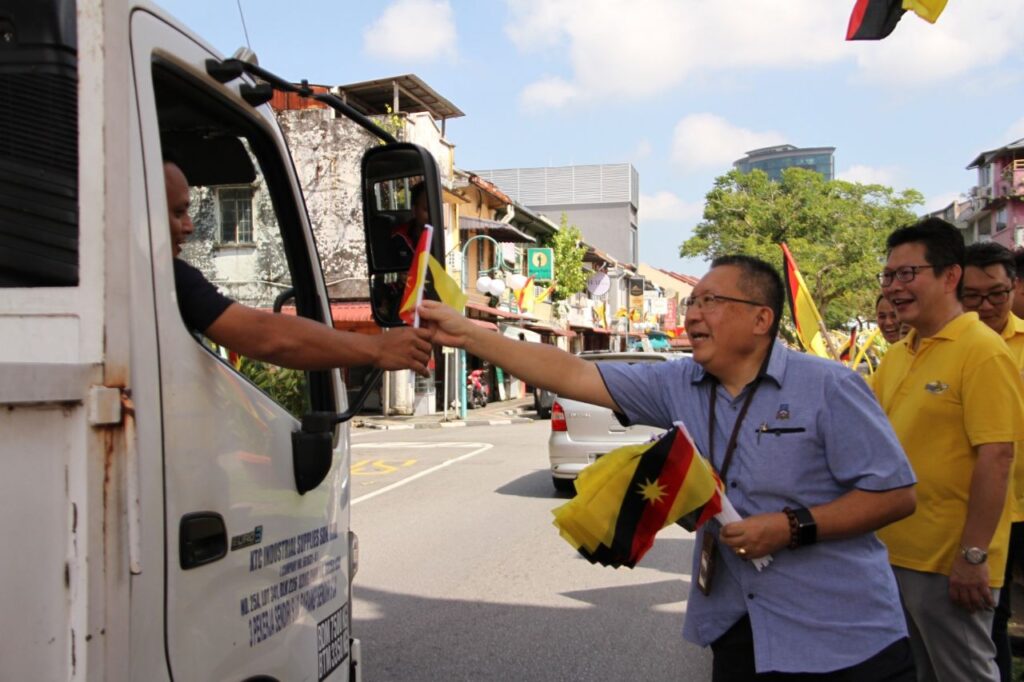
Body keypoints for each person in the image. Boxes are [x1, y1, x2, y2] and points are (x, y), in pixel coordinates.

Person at [420, 255, 918, 680]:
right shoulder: (678, 383)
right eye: (692, 302)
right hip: (738, 627)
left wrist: (791, 527)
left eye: (710, 301)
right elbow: (572, 372)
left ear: (761, 319)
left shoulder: (830, 387)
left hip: (841, 636)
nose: (693, 314)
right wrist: (468, 334)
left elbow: (896, 495)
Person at [872, 218, 1024, 682]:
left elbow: (997, 457)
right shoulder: (899, 353)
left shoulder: (982, 351)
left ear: (950, 276)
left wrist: (973, 555)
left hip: (950, 562)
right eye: (889, 275)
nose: (894, 287)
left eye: (907, 274)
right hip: (896, 553)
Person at [165, 159, 433, 375]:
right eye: (178, 213)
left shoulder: (163, 278)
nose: (189, 226)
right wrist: (377, 348)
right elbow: (268, 338)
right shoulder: (169, 278)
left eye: (187, 212)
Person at [961, 242, 1024, 682]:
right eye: (973, 296)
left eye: (996, 294)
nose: (986, 306)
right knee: (990, 619)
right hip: (986, 511)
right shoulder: (949, 348)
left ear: (1013, 288)